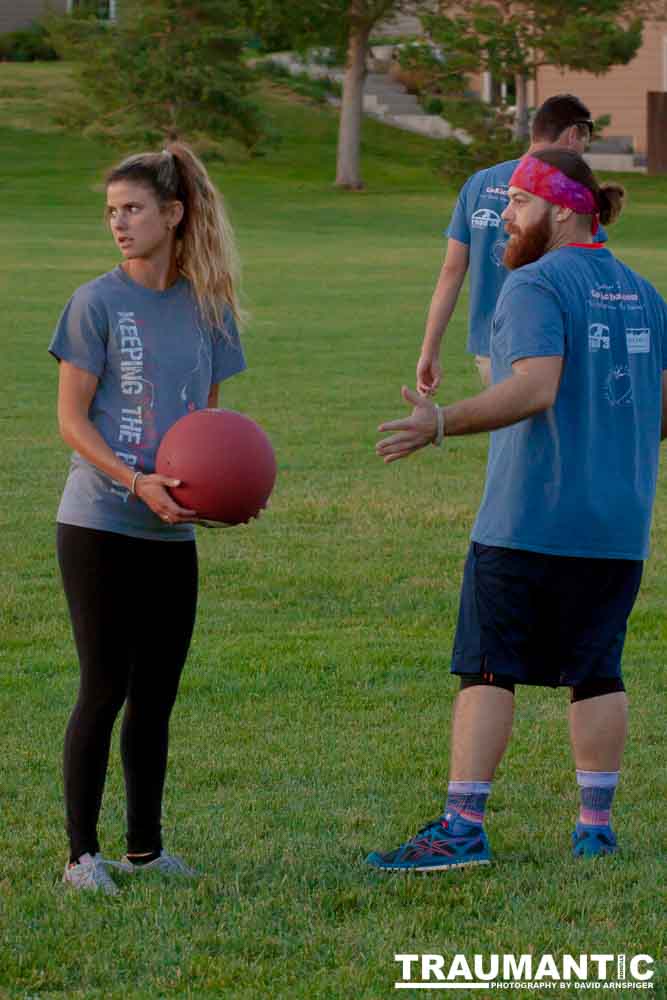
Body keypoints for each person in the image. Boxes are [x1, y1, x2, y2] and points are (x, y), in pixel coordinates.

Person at [369, 148, 667, 872]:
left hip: (530, 516)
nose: (503, 219)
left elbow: (533, 388)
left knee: (487, 668)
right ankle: (593, 829)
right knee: (596, 669)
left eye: (517, 205)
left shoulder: (533, 284)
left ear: (560, 211)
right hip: (617, 524)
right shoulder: (644, 293)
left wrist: (441, 422)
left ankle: (462, 828)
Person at [50, 144, 246, 894]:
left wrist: (214, 495)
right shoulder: (94, 302)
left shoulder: (209, 308)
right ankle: (80, 857)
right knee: (103, 686)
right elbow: (71, 421)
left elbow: (211, 432)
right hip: (100, 521)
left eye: (132, 209)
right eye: (111, 212)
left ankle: (146, 849)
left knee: (157, 694)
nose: (119, 224)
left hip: (173, 531)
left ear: (172, 214)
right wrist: (136, 481)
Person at [417, 93, 604, 392]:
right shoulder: (569, 188)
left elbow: (451, 271)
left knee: (508, 435)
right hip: (549, 346)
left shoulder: (479, 182)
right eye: (584, 142)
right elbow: (589, 270)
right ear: (572, 135)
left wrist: (429, 350)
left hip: (491, 351)